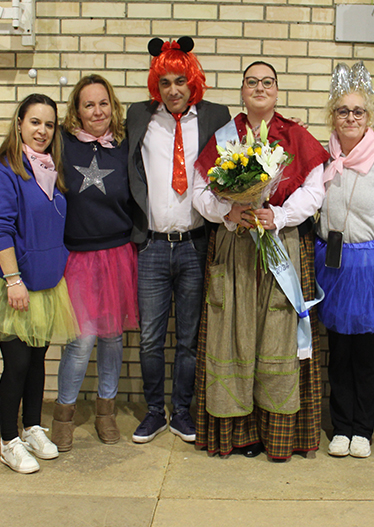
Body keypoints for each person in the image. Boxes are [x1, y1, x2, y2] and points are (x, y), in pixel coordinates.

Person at [191, 61, 329, 460]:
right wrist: (227, 213)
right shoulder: (223, 137)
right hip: (235, 246)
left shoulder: (295, 135)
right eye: (252, 82)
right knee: (234, 334)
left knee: (277, 336)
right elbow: (201, 193)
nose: (259, 88)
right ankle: (241, 433)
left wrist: (279, 215)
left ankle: (277, 434)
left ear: (277, 90)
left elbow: (314, 191)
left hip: (279, 244)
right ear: (242, 90)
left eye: (267, 82)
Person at [126, 37, 231, 444]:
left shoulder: (215, 117)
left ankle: (182, 410)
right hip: (151, 244)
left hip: (194, 243)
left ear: (193, 83)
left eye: (181, 81)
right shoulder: (140, 117)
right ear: (157, 84)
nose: (173, 90)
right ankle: (155, 410)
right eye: (165, 82)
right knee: (151, 337)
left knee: (188, 336)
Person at [315, 62, 374, 459]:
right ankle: (341, 425)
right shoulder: (323, 159)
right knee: (337, 349)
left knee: (366, 352)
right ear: (332, 117)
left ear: (368, 117)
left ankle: (362, 429)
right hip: (333, 265)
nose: (350, 118)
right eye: (342, 111)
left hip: (371, 266)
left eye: (357, 111)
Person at [0, 93, 79, 473]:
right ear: (19, 123)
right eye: (35, 122)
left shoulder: (50, 168)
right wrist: (13, 280)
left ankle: (32, 427)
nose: (42, 130)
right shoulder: (5, 171)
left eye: (49, 124)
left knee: (38, 359)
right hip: (15, 283)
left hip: (46, 283)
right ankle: (9, 440)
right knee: (18, 364)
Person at [51, 75, 139, 450]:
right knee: (81, 340)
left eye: (103, 103)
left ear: (112, 106)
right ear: (77, 111)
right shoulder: (62, 145)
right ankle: (64, 414)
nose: (97, 111)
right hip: (79, 256)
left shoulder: (123, 146)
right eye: (88, 105)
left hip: (118, 253)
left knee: (113, 338)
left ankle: (106, 410)